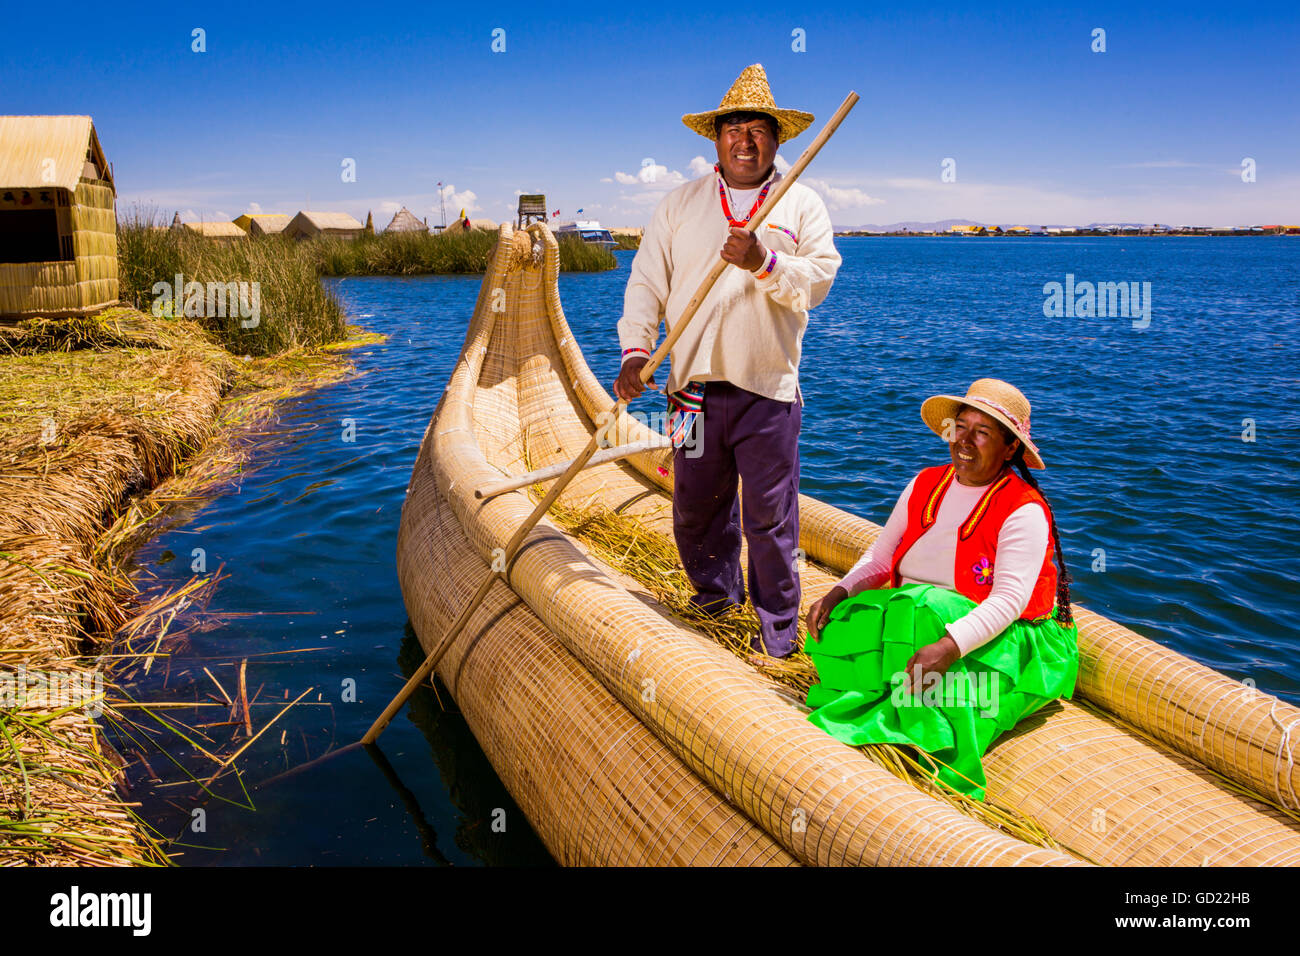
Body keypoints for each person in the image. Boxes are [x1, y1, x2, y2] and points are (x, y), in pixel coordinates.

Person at [613, 64, 841, 658]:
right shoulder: (680, 206)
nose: (745, 140)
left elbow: (817, 281)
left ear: (777, 138)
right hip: (691, 394)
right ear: (715, 138)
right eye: (733, 128)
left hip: (768, 392)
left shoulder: (800, 205)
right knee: (694, 508)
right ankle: (716, 604)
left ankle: (779, 633)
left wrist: (764, 260)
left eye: (758, 129)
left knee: (770, 520)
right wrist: (636, 351)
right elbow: (645, 286)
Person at [802, 379, 1079, 799]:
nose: (964, 442)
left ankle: (925, 732)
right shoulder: (926, 483)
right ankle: (897, 692)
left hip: (1005, 636)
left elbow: (1008, 601)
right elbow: (880, 559)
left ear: (1009, 449)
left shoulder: (1023, 509)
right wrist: (839, 592)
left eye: (982, 433)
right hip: (915, 616)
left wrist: (949, 646)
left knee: (921, 608)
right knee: (840, 622)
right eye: (961, 427)